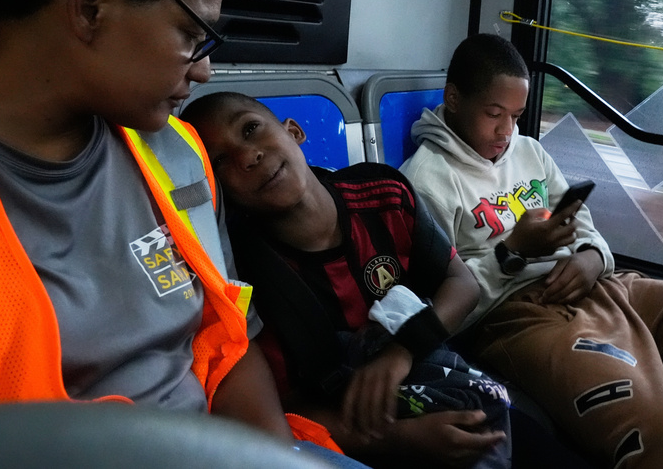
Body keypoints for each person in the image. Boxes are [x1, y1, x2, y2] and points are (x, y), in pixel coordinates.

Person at [0, 0, 363, 467]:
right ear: (91, 6)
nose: (205, 70)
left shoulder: (178, 155)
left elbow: (226, 346)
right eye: (191, 36)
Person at [400, 33, 663, 469]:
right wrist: (513, 252)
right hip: (519, 317)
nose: (507, 131)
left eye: (516, 115)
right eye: (494, 114)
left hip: (602, 285)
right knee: (660, 440)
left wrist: (592, 258)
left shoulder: (528, 151)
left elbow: (583, 225)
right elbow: (441, 311)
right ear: (453, 99)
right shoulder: (423, 183)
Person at [179, 92, 512, 469]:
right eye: (220, 161)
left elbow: (462, 284)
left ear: (294, 131)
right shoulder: (244, 277)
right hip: (354, 429)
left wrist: (400, 351)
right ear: (218, 191)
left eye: (251, 129)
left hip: (428, 365)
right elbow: (280, 406)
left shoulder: (384, 195)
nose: (248, 156)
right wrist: (399, 438)